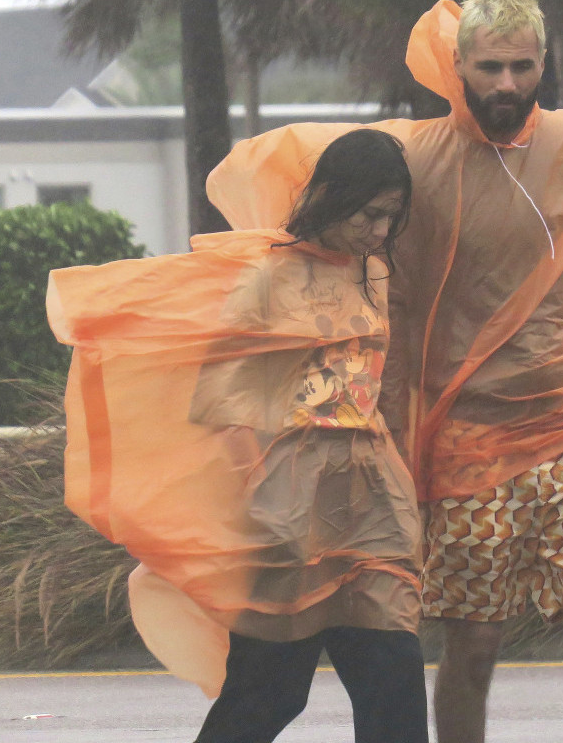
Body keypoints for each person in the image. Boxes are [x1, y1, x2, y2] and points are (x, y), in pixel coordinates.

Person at [205, 0, 563, 743]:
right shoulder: (406, 176)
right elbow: (230, 388)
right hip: (414, 467)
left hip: (536, 446)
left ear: (545, 62)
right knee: (354, 672)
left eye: (522, 67)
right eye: (489, 67)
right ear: (458, 68)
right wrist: (270, 477)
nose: (507, 84)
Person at [47, 129, 429, 743]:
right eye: (367, 213)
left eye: (390, 216)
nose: (378, 230)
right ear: (330, 196)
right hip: (290, 502)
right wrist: (253, 500)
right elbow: (219, 401)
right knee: (270, 690)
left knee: (394, 679)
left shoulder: (375, 273)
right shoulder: (268, 276)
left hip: (373, 501)